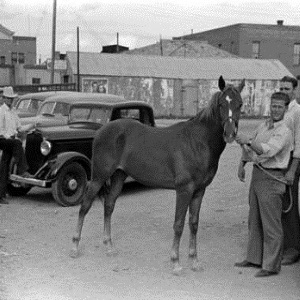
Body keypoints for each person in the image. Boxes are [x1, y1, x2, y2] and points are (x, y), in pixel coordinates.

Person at [234, 92, 293, 277]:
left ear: (285, 108)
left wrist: (248, 141)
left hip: (273, 177)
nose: (275, 109)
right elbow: (252, 144)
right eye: (273, 106)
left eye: (279, 107)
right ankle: (254, 258)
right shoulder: (263, 125)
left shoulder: (284, 131)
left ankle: (271, 265)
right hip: (258, 175)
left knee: (271, 225)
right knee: (254, 219)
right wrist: (242, 163)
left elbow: (267, 150)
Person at [0, 87, 35, 204]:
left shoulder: (13, 112)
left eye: (11, 99)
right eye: (7, 98)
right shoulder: (1, 111)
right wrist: (7, 136)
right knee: (17, 143)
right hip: (3, 140)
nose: (10, 101)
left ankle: (1, 194)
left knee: (4, 165)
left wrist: (32, 126)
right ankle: (22, 170)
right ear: (4, 98)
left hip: (10, 142)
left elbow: (20, 128)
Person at [278, 76, 300, 265]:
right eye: (281, 88)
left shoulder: (297, 111)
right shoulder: (280, 109)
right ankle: (280, 246)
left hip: (292, 159)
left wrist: (293, 170)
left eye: (287, 89)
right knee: (277, 202)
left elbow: (299, 145)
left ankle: (293, 249)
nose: (284, 92)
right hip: (279, 158)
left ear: (294, 91)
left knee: (289, 202)